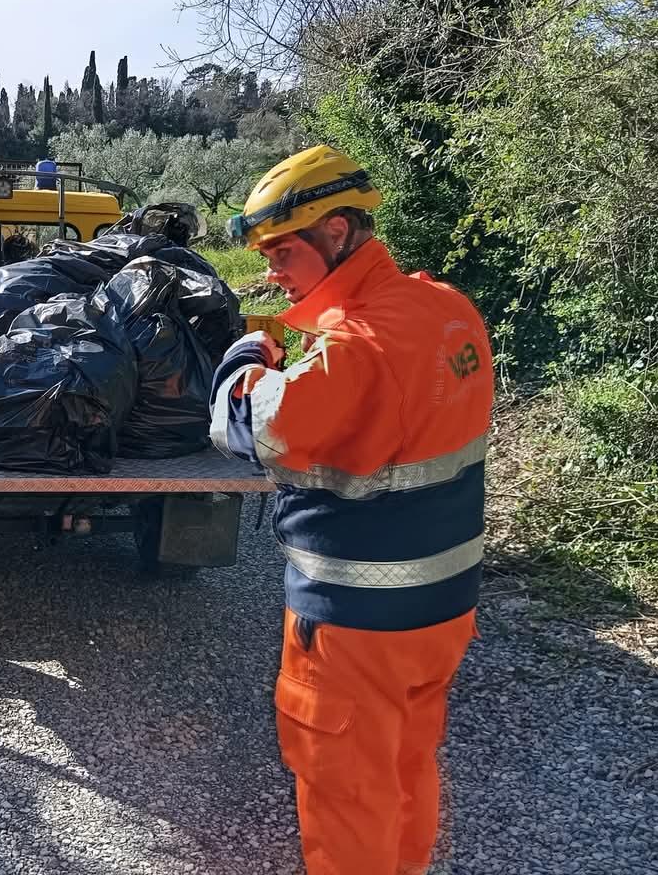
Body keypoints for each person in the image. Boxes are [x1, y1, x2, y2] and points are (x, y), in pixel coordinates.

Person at [211, 145, 493, 875]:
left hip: (355, 622)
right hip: (443, 610)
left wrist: (244, 359)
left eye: (279, 250)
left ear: (335, 232)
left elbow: (249, 430)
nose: (269, 269)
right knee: (404, 765)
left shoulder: (354, 349)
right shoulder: (448, 310)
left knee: (344, 792)